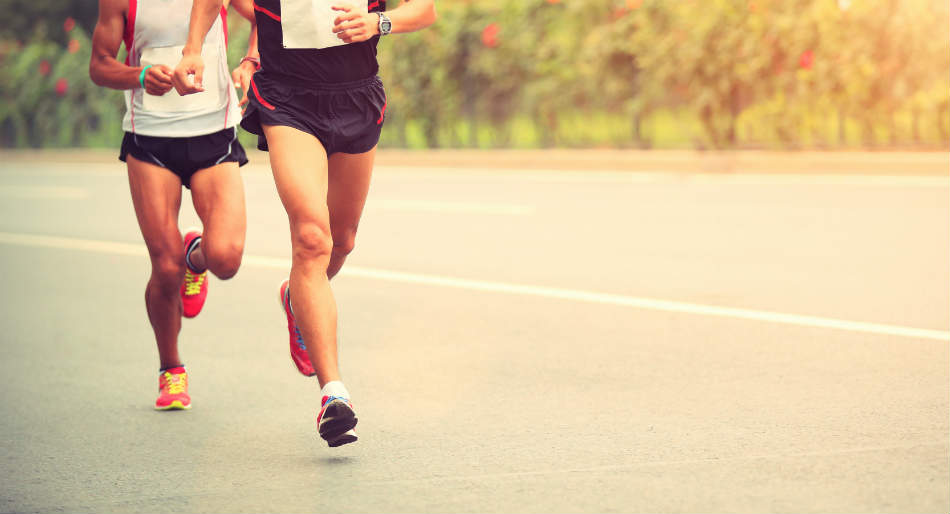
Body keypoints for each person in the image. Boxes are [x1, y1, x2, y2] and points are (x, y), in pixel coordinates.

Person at [173, 0, 436, 446]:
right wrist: (193, 49)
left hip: (356, 95)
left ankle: (296, 297)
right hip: (287, 100)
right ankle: (334, 394)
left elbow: (424, 10)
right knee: (313, 238)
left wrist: (378, 22)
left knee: (342, 241)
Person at [89, 0, 257, 410]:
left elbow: (269, 18)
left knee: (226, 258)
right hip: (151, 140)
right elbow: (99, 66)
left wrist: (250, 61)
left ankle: (194, 258)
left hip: (213, 133)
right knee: (164, 268)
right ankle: (171, 369)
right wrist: (140, 75)